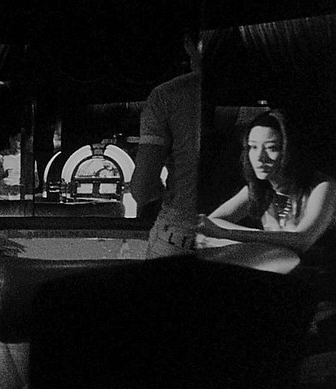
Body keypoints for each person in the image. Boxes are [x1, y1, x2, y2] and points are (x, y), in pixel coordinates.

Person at [196, 109, 336, 274]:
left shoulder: (324, 186)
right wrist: (254, 236)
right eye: (253, 147)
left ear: (291, 150)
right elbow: (213, 221)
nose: (259, 157)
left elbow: (303, 240)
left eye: (271, 148)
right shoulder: (260, 187)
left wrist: (226, 233)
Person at [132, 27, 202, 259]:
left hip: (180, 233)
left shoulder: (166, 96)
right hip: (246, 235)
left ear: (188, 44)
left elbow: (142, 189)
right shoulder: (262, 89)